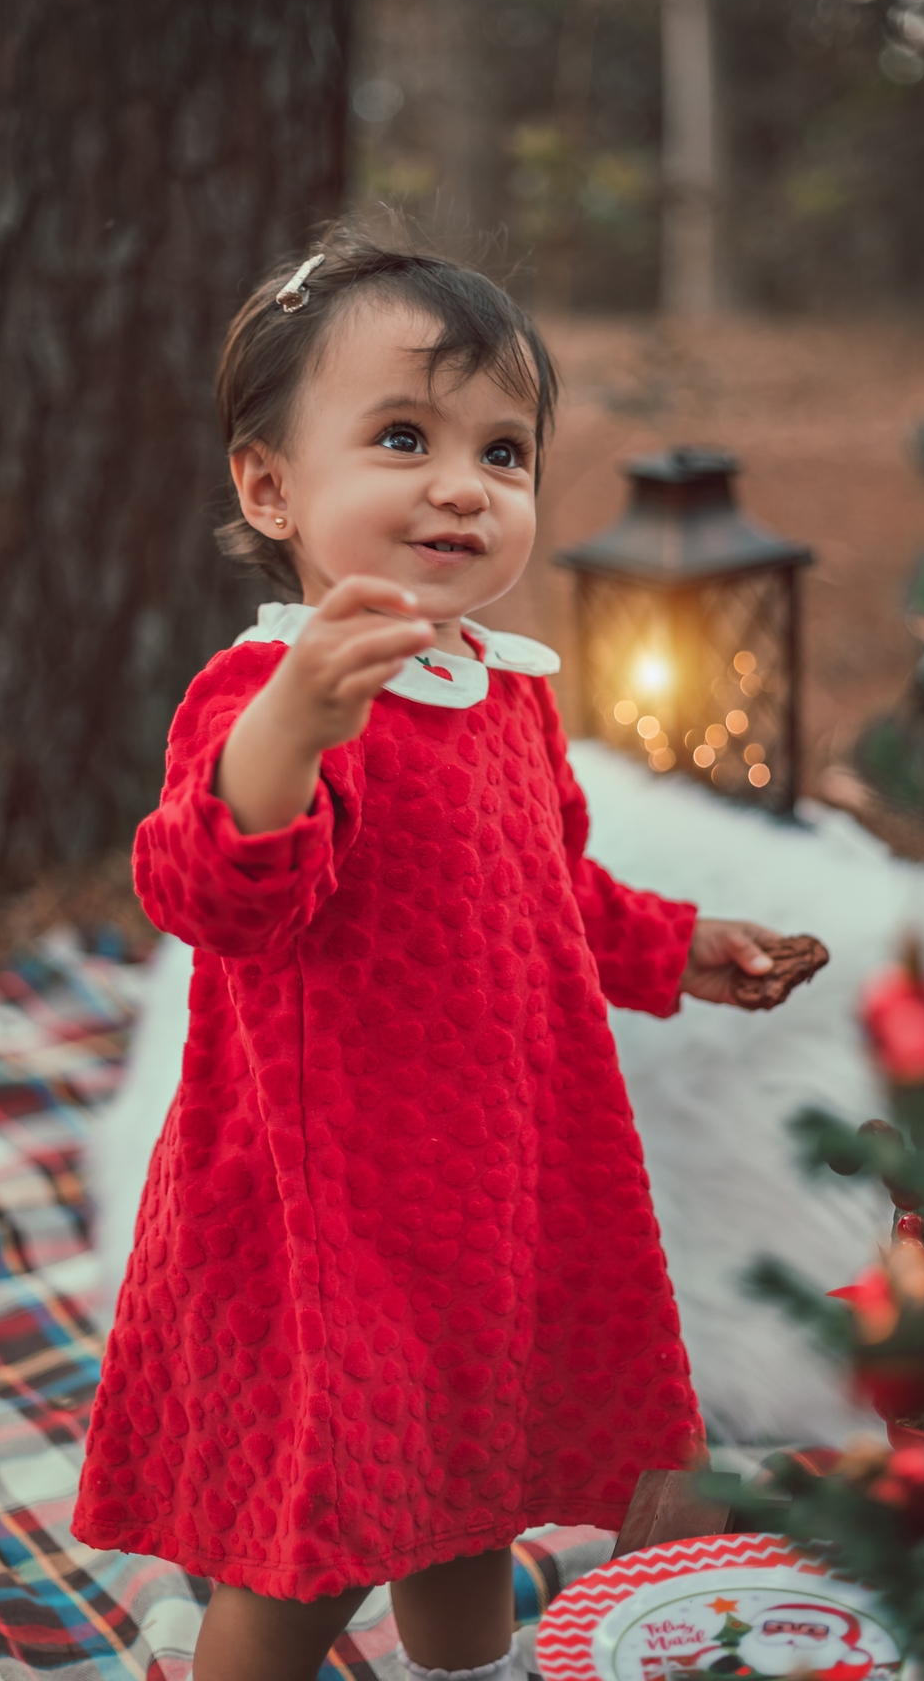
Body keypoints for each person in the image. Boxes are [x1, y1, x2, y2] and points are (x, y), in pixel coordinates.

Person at [71, 231, 795, 1681]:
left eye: (506, 452)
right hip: (331, 1213)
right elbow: (213, 883)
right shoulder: (268, 689)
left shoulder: (508, 704)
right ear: (270, 484)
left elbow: (546, 893)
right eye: (404, 437)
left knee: (475, 1497)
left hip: (498, 1195)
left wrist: (681, 942)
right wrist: (291, 730)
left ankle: (473, 1666)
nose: (464, 485)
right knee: (324, 1540)